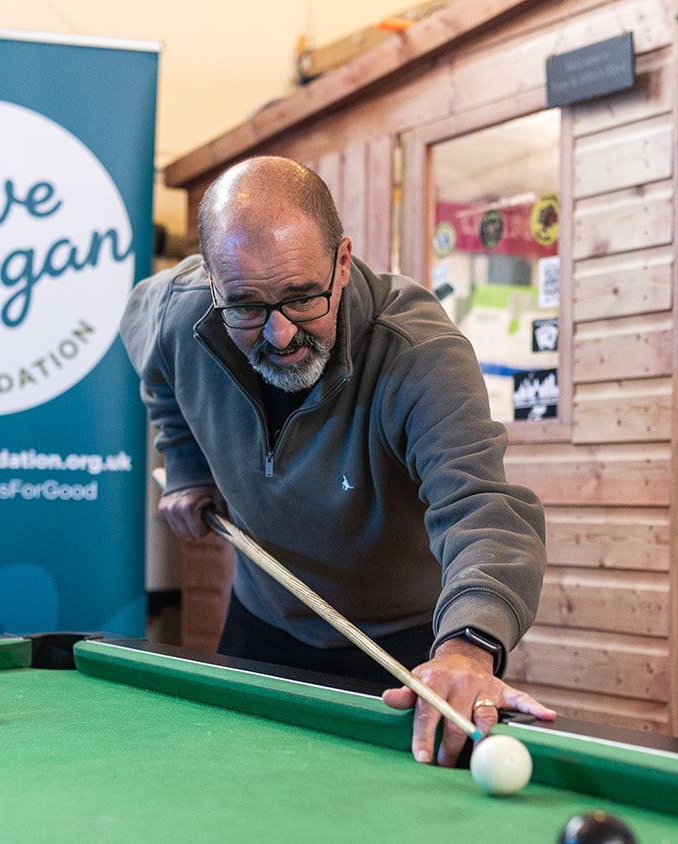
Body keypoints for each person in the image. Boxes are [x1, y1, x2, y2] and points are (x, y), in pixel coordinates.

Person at [120, 156, 551, 767]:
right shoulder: (182, 310)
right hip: (261, 622)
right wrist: (187, 465)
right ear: (213, 285)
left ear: (343, 261)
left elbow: (482, 509)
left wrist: (468, 645)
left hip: (405, 651)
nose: (279, 334)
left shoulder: (419, 354)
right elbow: (155, 367)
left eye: (301, 297)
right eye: (244, 305)